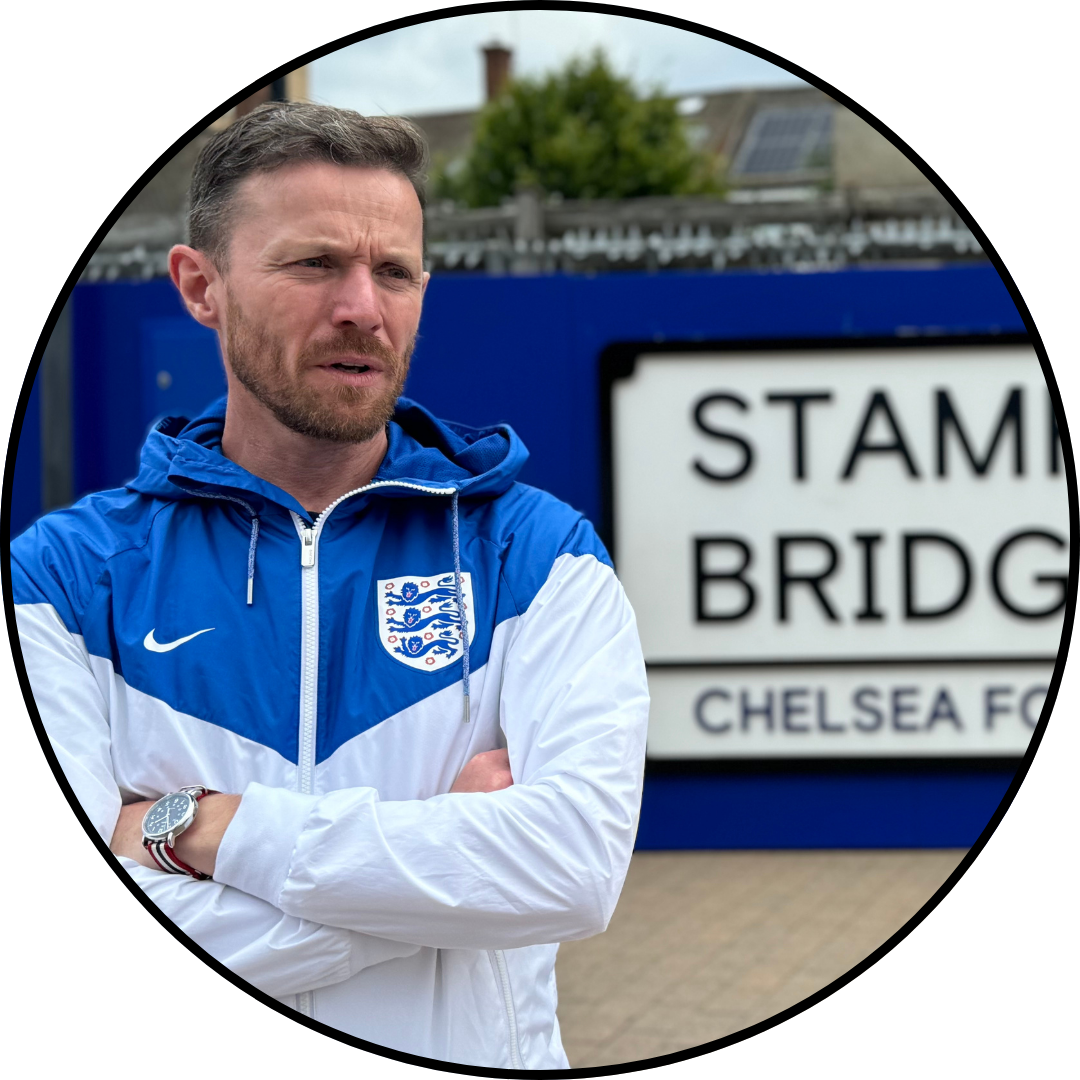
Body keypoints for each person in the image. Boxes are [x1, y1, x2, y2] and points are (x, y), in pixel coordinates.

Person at [11, 102, 649, 1068]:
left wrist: (205, 830)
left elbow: (572, 870)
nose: (362, 307)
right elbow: (512, 878)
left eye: (393, 271)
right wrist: (447, 862)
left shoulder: (539, 555)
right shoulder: (61, 581)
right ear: (201, 286)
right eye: (314, 264)